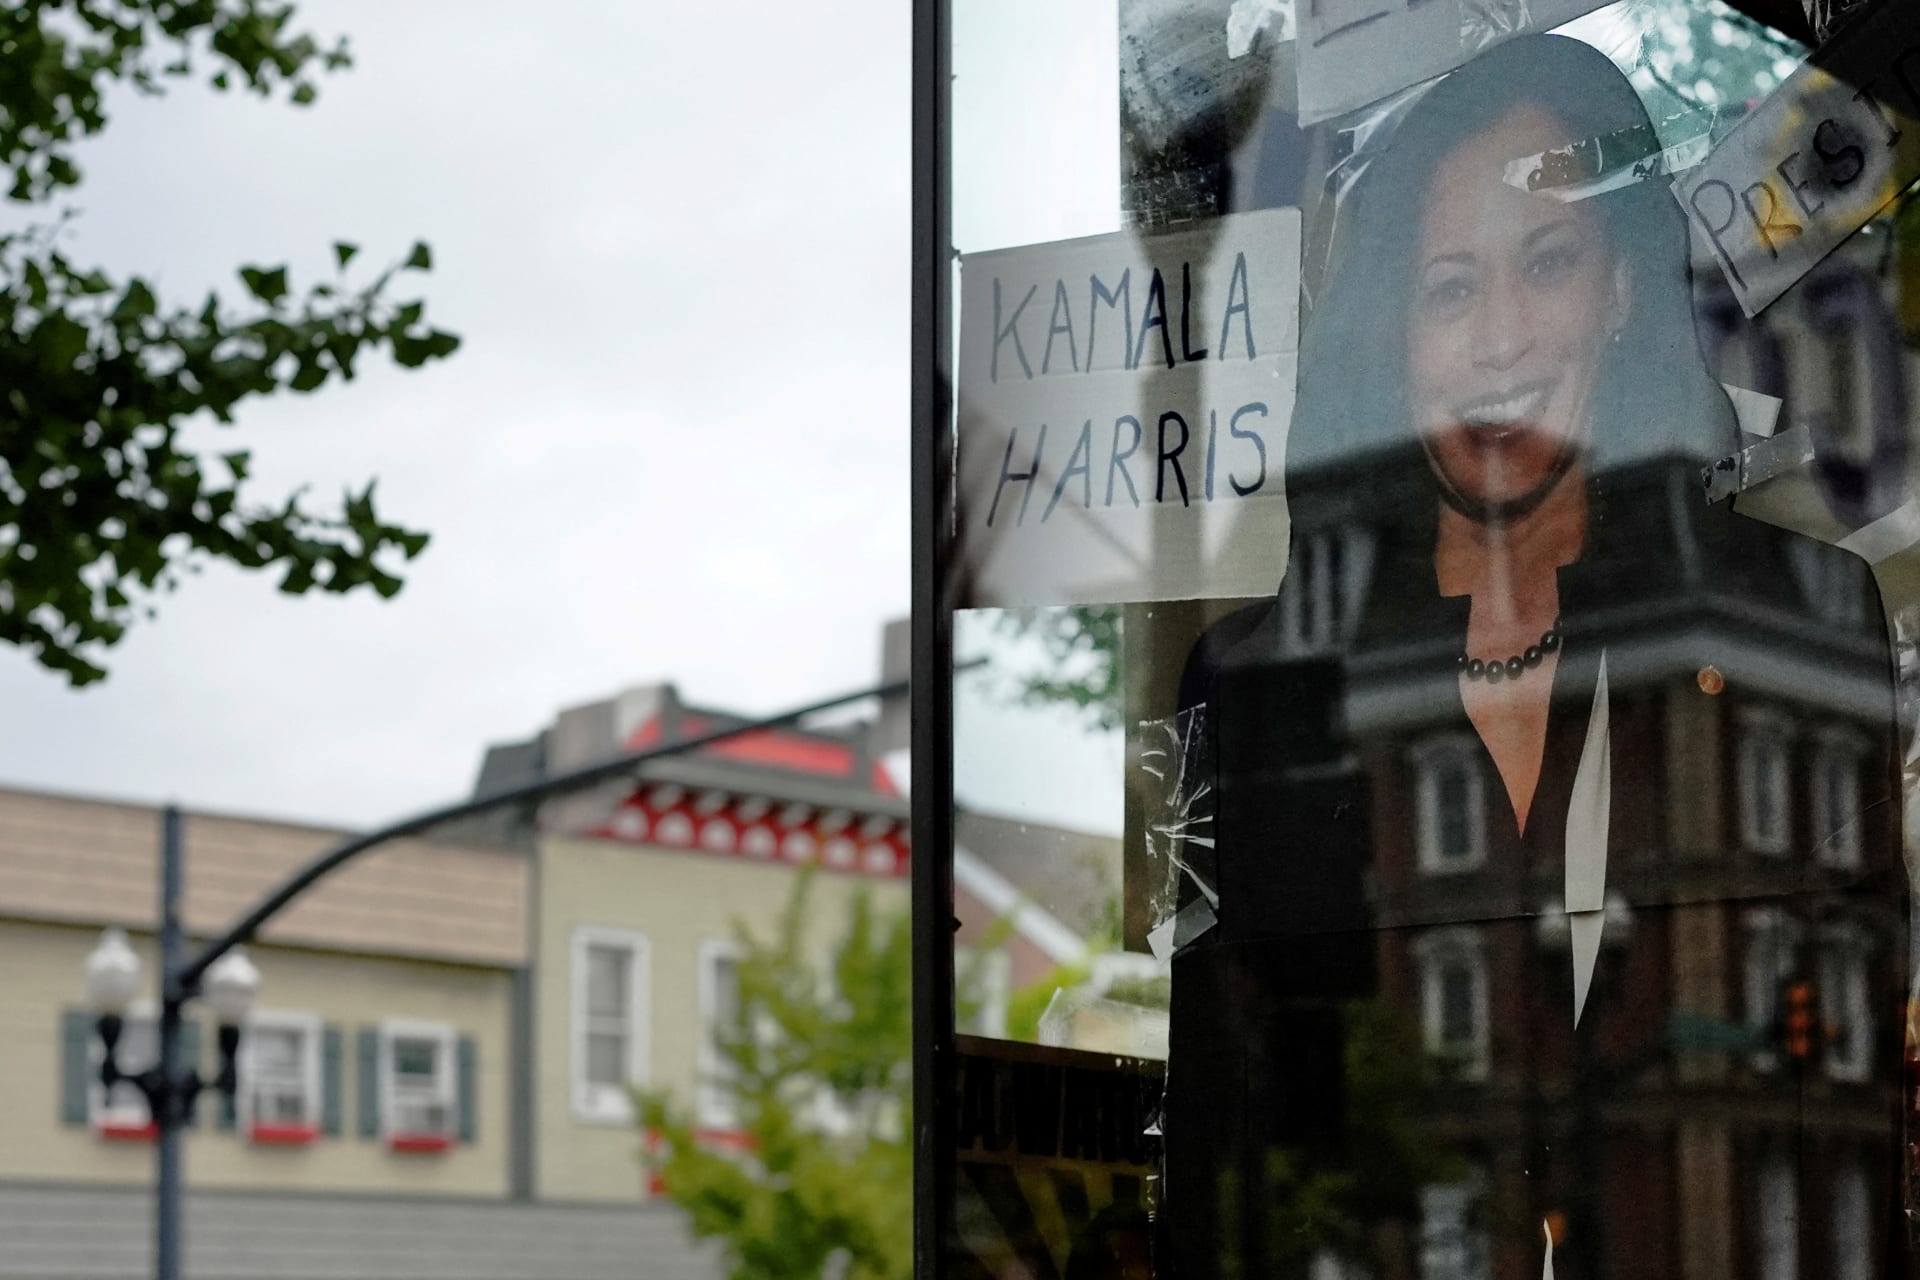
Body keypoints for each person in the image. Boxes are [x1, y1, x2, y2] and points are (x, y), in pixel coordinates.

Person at [1161, 33, 1911, 1280]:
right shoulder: (1256, 682)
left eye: (1548, 264)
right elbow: (1224, 1146)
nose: (1501, 336)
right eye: (1451, 288)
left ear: (1621, 289)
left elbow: (1861, 1103)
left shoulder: (1801, 617)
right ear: (1398, 332)